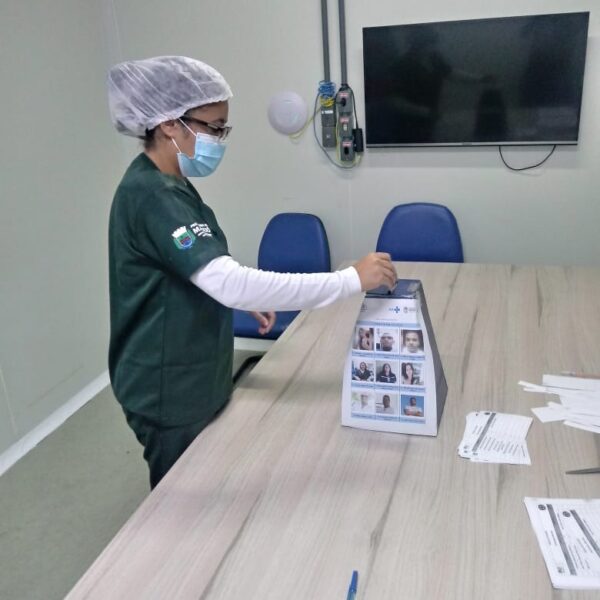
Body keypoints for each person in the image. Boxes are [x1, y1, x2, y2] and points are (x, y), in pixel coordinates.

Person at [107, 56, 396, 488]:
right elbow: (225, 280)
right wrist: (349, 279)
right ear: (170, 123)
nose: (220, 139)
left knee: (209, 481)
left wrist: (247, 297)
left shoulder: (171, 185)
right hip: (167, 385)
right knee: (179, 502)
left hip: (195, 369)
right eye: (213, 126)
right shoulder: (152, 196)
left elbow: (193, 273)